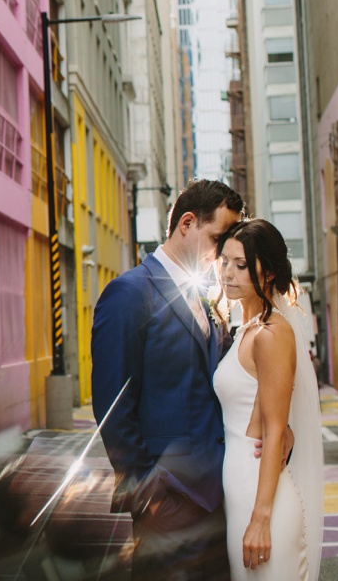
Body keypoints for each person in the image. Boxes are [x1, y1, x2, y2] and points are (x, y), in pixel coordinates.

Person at [91, 179, 244, 580]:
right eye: (218, 237)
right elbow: (112, 405)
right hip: (168, 501)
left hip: (219, 499)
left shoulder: (207, 300)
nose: (224, 252)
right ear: (187, 223)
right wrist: (148, 492)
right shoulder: (129, 293)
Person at [213, 219, 323, 579]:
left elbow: (275, 430)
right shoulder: (245, 330)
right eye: (225, 261)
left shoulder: (272, 333)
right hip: (242, 493)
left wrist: (261, 519)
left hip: (264, 502)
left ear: (270, 271)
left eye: (241, 265)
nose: (228, 273)